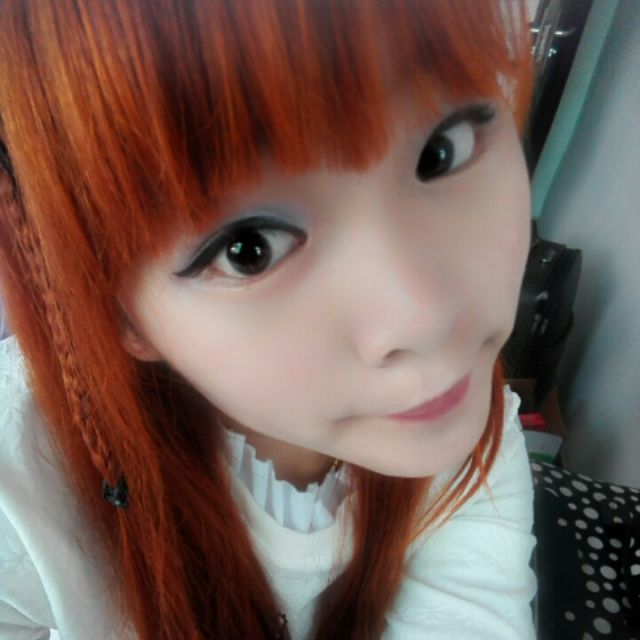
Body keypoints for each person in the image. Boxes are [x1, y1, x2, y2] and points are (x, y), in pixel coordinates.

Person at [0, 0, 538, 638]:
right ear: (118, 315)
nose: (425, 320)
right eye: (248, 249)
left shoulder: (473, 428)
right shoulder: (20, 499)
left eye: (442, 150)